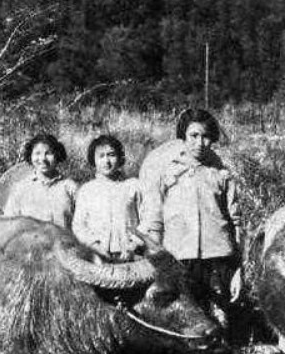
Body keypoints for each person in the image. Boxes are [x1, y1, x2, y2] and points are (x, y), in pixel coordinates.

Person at [140, 109, 241, 329]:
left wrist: (237, 268)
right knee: (189, 317)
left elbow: (235, 221)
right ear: (183, 137)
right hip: (181, 257)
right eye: (193, 136)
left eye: (206, 137)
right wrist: (157, 258)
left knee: (220, 317)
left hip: (218, 257)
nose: (200, 143)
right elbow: (155, 216)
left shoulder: (221, 173)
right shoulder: (167, 171)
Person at [72, 134, 140, 262]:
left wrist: (133, 245)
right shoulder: (86, 190)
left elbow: (146, 220)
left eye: (111, 155)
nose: (106, 161)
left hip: (131, 256)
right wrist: (95, 246)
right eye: (101, 156)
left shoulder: (133, 185)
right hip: (97, 257)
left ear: (119, 158)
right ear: (93, 160)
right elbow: (79, 226)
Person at [4, 133, 77, 228]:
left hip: (63, 237)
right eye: (37, 153)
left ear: (57, 155)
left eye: (48, 153)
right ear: (30, 156)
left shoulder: (70, 187)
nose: (42, 159)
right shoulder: (20, 189)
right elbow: (8, 225)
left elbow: (83, 223)